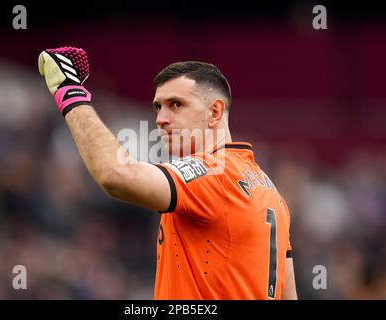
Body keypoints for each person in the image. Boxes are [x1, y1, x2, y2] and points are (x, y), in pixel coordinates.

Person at [38, 47, 297, 299]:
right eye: (157, 107)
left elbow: (116, 175)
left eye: (176, 105)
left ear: (215, 112)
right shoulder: (271, 192)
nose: (160, 118)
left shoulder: (215, 172)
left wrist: (69, 90)